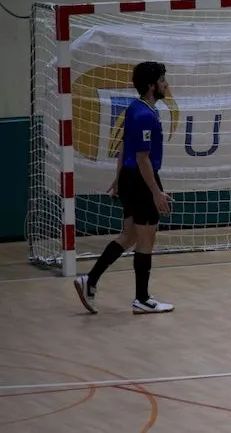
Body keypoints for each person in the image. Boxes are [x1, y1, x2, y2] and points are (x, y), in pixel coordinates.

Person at [73, 61, 174, 315]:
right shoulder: (144, 115)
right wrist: (156, 192)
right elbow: (142, 158)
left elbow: (124, 147)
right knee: (147, 238)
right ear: (151, 86)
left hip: (130, 177)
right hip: (141, 180)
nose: (166, 85)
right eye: (162, 80)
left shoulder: (135, 109)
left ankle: (89, 280)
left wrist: (119, 178)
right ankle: (142, 299)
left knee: (129, 236)